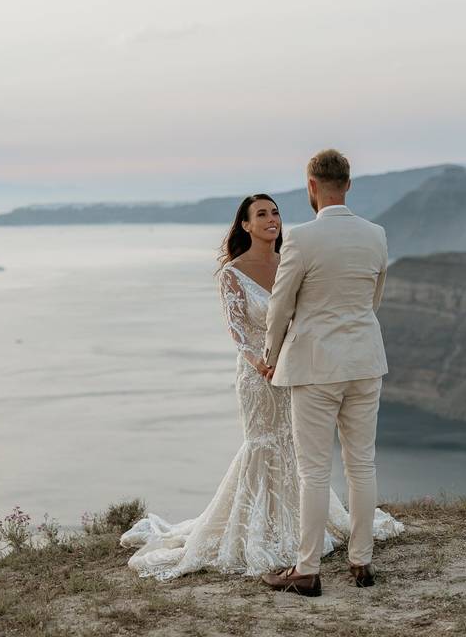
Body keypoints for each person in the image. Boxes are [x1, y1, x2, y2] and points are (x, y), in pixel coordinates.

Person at [120, 192, 402, 581]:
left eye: (276, 212)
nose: (272, 219)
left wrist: (287, 359)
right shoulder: (233, 272)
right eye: (262, 214)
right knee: (265, 443)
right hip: (259, 376)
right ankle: (260, 527)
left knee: (298, 451)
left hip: (302, 369)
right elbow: (237, 331)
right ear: (246, 225)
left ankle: (298, 532)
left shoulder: (294, 256)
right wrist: (262, 363)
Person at [260, 149, 390, 597]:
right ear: (348, 185)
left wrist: (270, 352)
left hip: (315, 366)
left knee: (314, 471)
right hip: (365, 360)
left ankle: (308, 569)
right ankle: (362, 561)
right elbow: (374, 298)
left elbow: (280, 306)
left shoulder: (301, 239)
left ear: (311, 186)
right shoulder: (376, 235)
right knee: (362, 463)